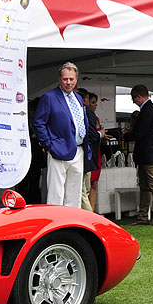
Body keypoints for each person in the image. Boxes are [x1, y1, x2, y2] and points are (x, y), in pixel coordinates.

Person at [32, 62, 96, 208]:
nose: (68, 82)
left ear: (76, 79)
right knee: (56, 194)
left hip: (78, 149)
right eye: (65, 79)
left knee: (74, 195)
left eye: (71, 79)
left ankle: (71, 227)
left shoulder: (78, 98)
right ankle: (55, 226)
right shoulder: (49, 97)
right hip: (57, 150)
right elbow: (39, 123)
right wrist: (48, 145)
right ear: (60, 79)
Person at [127, 85, 153, 226]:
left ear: (139, 96)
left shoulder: (147, 110)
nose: (134, 102)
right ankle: (144, 216)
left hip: (149, 153)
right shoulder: (150, 109)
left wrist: (125, 136)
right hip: (147, 152)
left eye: (134, 99)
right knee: (145, 185)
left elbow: (139, 133)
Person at [82, 90, 104, 212]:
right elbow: (91, 135)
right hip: (90, 152)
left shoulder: (97, 118)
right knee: (87, 185)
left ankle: (92, 209)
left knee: (94, 184)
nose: (95, 105)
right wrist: (99, 135)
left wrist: (102, 137)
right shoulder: (86, 114)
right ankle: (88, 211)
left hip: (97, 151)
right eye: (93, 102)